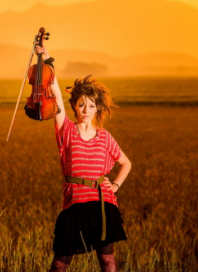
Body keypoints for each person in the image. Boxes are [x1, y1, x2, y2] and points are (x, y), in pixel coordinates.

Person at [34, 44, 132, 272]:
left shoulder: (105, 137)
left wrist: (115, 186)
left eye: (91, 105)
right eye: (81, 105)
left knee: (108, 262)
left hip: (102, 204)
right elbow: (56, 94)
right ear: (74, 107)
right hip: (75, 205)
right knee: (59, 264)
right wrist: (48, 60)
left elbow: (126, 163)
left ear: (97, 108)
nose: (86, 109)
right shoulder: (66, 129)